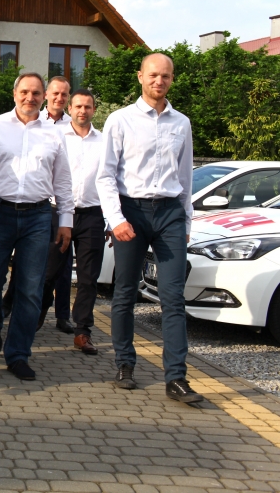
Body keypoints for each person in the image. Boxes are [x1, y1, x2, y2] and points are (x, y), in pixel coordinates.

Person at [96, 53, 203, 404]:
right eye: (153, 75)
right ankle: (125, 364)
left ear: (172, 79)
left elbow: (185, 178)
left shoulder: (181, 123)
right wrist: (116, 219)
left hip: (170, 213)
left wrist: (186, 221)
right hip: (132, 211)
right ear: (140, 76)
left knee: (173, 297)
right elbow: (105, 175)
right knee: (126, 291)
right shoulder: (120, 120)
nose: (159, 81)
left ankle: (176, 378)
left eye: (166, 76)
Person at [0, 72, 73, 381]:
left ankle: (17, 354)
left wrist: (66, 221)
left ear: (44, 97)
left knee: (30, 289)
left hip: (37, 216)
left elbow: (63, 181)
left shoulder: (55, 134)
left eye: (36, 93)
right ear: (14, 93)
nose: (30, 97)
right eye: (25, 92)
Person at [2, 75, 75, 332]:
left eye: (64, 94)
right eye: (55, 93)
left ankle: (53, 317)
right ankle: (6, 307)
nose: (59, 98)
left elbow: (64, 177)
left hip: (51, 209)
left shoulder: (68, 127)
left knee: (52, 271)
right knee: (14, 270)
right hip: (18, 208)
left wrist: (66, 217)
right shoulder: (12, 122)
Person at [57, 90, 106, 355]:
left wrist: (112, 219)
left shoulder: (105, 141)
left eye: (87, 107)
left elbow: (113, 180)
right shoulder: (57, 136)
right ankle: (33, 323)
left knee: (88, 279)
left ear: (94, 110)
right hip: (59, 213)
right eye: (78, 106)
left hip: (92, 215)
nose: (82, 111)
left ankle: (82, 332)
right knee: (49, 273)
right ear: (70, 108)